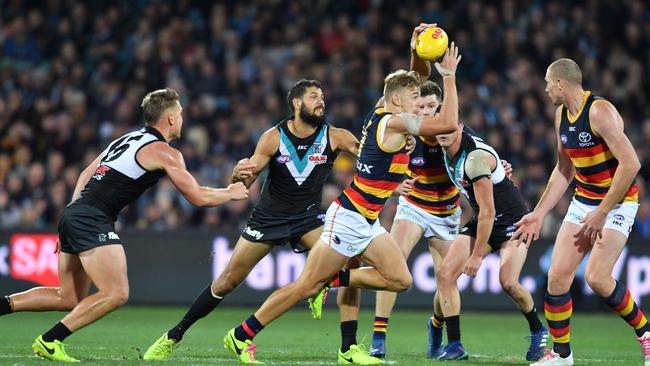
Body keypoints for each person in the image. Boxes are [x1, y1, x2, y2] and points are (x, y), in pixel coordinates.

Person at [221, 42, 462, 364]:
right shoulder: (393, 122)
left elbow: (410, 80)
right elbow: (446, 124)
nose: (420, 103)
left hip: (369, 220)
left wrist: (417, 51)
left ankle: (334, 288)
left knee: (400, 280)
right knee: (305, 286)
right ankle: (241, 335)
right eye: (415, 99)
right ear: (396, 101)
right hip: (348, 218)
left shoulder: (384, 110)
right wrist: (449, 76)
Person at [143, 79, 390, 365]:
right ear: (297, 103)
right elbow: (245, 179)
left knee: (350, 258)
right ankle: (174, 335)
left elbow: (372, 155)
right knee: (225, 282)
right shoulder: (273, 137)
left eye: (322, 96)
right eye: (313, 96)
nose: (320, 101)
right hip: (269, 220)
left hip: (309, 220)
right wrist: (237, 174)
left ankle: (347, 349)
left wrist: (389, 132)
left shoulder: (336, 136)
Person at [0, 88, 249, 362]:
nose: (182, 118)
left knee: (68, 297)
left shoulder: (128, 139)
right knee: (116, 293)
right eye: (179, 113)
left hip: (75, 212)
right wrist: (230, 192)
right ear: (168, 120)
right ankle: (50, 340)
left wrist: (71, 214)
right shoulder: (165, 153)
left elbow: (86, 173)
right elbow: (198, 197)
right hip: (93, 217)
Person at [369, 25, 512, 360]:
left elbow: (481, 155)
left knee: (447, 278)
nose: (425, 111)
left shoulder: (454, 133)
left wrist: (499, 167)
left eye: (433, 106)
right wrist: (394, 188)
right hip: (414, 206)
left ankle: (436, 323)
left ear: (440, 107)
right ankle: (378, 337)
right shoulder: (408, 131)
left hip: (448, 212)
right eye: (421, 105)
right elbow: (378, 163)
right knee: (394, 261)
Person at [513, 58, 649, 366]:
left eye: (548, 83)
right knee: (557, 278)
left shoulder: (600, 111)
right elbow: (563, 170)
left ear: (561, 83)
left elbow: (631, 164)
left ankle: (646, 334)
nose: (546, 89)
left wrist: (602, 212)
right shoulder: (561, 115)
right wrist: (538, 212)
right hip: (584, 201)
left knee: (597, 278)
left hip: (617, 204)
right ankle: (562, 355)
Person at [434, 122, 547, 361]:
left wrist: (476, 256)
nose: (442, 132)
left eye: (449, 127)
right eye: (439, 127)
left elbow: (488, 212)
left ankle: (538, 330)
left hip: (512, 222)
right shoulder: (452, 145)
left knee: (508, 282)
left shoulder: (473, 160)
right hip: (484, 219)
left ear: (461, 128)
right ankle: (454, 345)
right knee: (445, 274)